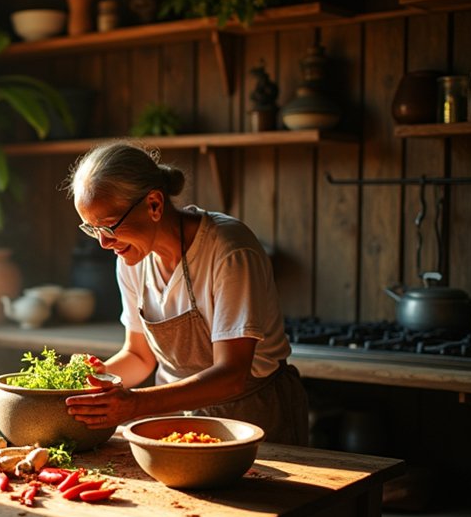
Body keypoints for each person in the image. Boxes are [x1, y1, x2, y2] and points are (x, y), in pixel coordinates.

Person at [63, 142, 308, 445]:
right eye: (92, 228)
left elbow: (231, 374)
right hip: (175, 423)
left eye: (109, 226)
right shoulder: (132, 258)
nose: (103, 242)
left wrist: (135, 404)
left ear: (154, 204)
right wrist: (88, 381)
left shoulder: (229, 251)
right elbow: (139, 356)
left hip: (251, 420)